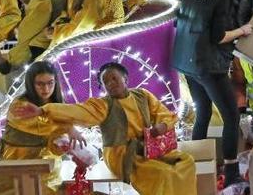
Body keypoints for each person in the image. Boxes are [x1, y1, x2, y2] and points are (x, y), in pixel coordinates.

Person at [15, 62, 196, 195]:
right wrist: (43, 110)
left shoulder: (143, 95)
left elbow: (164, 114)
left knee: (185, 162)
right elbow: (79, 111)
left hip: (151, 149)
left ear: (125, 78)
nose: (111, 83)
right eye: (106, 82)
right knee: (162, 174)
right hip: (123, 154)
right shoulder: (103, 105)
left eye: (114, 78)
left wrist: (161, 127)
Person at [171, 0, 250, 189]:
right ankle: (232, 171)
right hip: (208, 65)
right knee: (231, 116)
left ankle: (196, 166)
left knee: (203, 111)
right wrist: (243, 31)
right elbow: (220, 36)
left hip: (187, 61)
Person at [0, 61, 85, 195]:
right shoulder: (19, 105)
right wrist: (68, 127)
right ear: (31, 84)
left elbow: (55, 139)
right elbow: (42, 127)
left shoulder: (58, 104)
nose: (46, 89)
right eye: (40, 84)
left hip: (48, 165)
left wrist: (62, 147)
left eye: (50, 83)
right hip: (17, 163)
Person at [0, 0, 66, 74]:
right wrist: (2, 49)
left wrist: (7, 59)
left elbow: (23, 38)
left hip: (33, 57)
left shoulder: (40, 3)